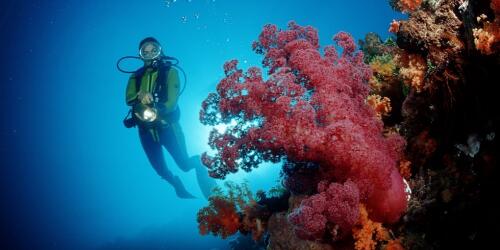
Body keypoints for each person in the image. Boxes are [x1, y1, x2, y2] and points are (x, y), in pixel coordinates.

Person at [124, 37, 215, 199]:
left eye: (154, 50)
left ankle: (202, 167)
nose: (150, 54)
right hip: (145, 131)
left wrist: (157, 109)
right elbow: (128, 98)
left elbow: (172, 101)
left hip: (168, 127)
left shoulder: (170, 71)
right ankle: (176, 184)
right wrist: (140, 95)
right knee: (160, 169)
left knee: (185, 165)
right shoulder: (134, 76)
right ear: (140, 56)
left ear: (161, 51)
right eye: (145, 52)